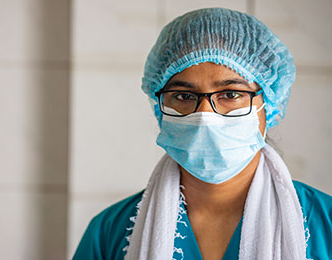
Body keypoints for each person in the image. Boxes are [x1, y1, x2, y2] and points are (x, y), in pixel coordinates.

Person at [73, 8, 332, 260]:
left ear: (269, 103)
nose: (205, 116)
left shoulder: (325, 224)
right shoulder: (110, 233)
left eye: (231, 94)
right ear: (160, 107)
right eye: (184, 96)